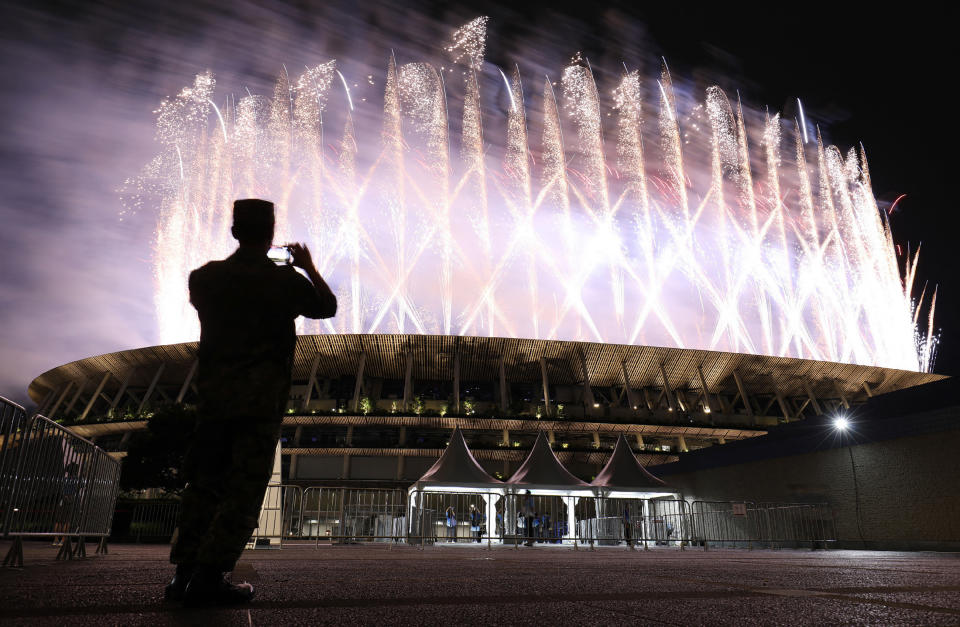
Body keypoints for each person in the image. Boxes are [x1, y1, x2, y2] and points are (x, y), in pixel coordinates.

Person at [166, 199, 336, 606]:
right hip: (258, 404)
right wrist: (307, 267)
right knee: (242, 491)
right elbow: (326, 307)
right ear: (271, 234)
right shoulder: (284, 282)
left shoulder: (203, 279)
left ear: (234, 230)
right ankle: (209, 578)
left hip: (213, 402)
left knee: (203, 487)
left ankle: (182, 576)